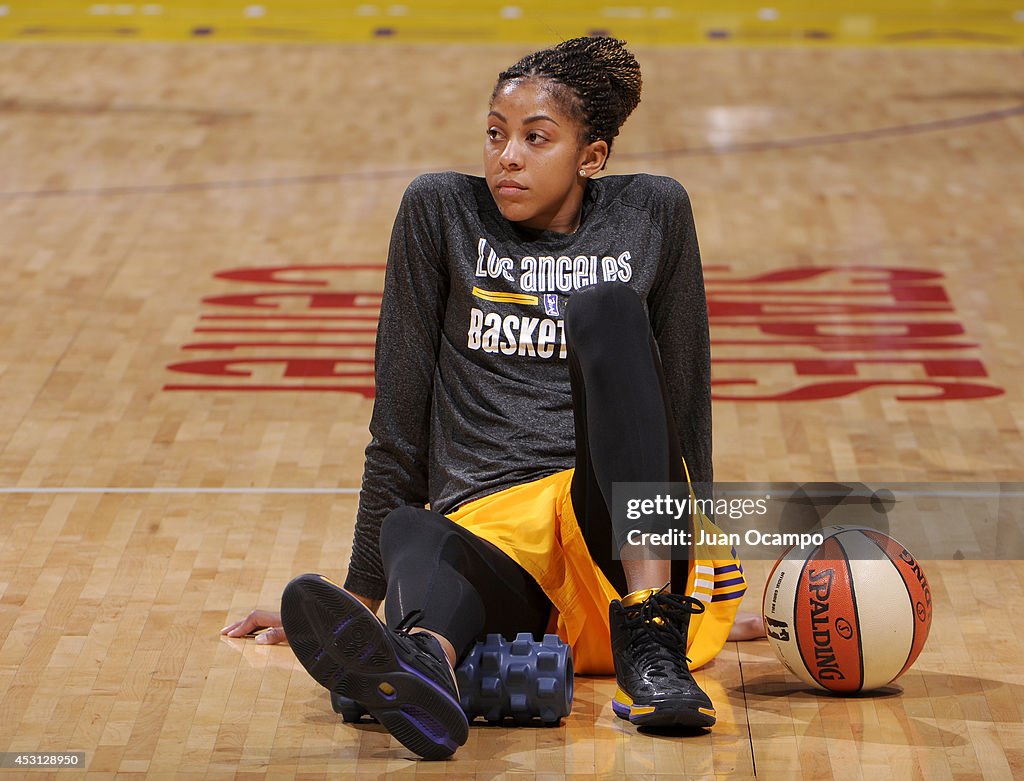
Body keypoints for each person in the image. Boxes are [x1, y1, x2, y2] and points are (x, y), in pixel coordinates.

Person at [221, 36, 763, 761]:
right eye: (495, 134)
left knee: (604, 307)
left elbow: (685, 405)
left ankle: (653, 638)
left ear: (591, 156)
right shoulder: (440, 211)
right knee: (412, 528)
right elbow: (399, 423)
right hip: (502, 564)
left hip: (613, 541)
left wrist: (709, 572)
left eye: (536, 139)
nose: (506, 156)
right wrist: (358, 595)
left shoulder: (652, 211)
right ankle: (419, 665)